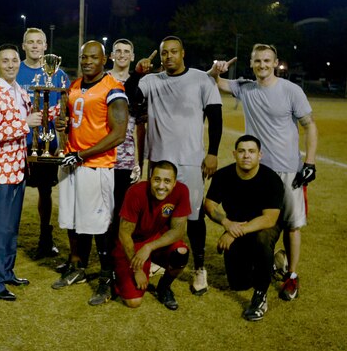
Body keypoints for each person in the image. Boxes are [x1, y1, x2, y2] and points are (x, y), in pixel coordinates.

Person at [208, 44, 318, 301]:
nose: (262, 65)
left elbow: (309, 126)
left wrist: (310, 163)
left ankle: (291, 275)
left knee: (292, 226)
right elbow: (216, 83)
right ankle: (266, 261)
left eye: (267, 60)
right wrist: (215, 70)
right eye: (258, 61)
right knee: (258, 225)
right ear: (251, 63)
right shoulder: (245, 88)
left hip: (289, 170)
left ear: (275, 62)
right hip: (258, 172)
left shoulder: (291, 91)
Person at [125, 35, 222, 296]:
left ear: (183, 53)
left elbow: (215, 117)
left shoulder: (202, 79)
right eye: (164, 52)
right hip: (158, 159)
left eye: (173, 52)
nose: (169, 56)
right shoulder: (151, 80)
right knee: (158, 213)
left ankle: (199, 267)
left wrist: (212, 153)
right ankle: (158, 259)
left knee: (193, 216)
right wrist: (136, 72)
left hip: (191, 160)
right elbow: (130, 94)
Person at [52, 40, 128, 306]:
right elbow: (73, 121)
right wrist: (61, 124)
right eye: (84, 57)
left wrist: (83, 154)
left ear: (104, 60)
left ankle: (106, 279)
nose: (87, 62)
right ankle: (77, 266)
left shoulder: (113, 89)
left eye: (93, 58)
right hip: (72, 162)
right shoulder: (73, 86)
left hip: (96, 166)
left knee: (100, 226)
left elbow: (119, 134)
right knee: (73, 220)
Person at [0, 44, 43, 301]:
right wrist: (24, 124)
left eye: (14, 60)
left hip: (18, 169)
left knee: (11, 227)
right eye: (5, 60)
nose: (11, 64)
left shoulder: (21, 92)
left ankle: (6, 271)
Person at [204, 135, 284, 321]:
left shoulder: (271, 179)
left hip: (264, 226)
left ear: (259, 155)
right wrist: (227, 224)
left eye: (251, 151)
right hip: (236, 226)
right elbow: (209, 204)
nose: (246, 156)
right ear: (234, 154)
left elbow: (269, 219)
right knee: (239, 284)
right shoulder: (224, 175)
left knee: (262, 239)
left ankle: (260, 296)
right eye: (241, 151)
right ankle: (273, 263)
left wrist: (232, 234)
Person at [16, 27, 69, 259]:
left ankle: (45, 238)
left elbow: (67, 108)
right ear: (23, 46)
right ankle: (8, 237)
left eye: (39, 42)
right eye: (31, 42)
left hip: (47, 143)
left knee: (45, 190)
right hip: (18, 141)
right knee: (14, 190)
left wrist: (63, 124)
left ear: (46, 46)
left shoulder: (59, 75)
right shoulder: (14, 71)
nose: (35, 46)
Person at [114, 161, 190, 310]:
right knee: (133, 302)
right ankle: (115, 274)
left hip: (154, 240)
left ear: (174, 183)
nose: (161, 186)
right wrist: (137, 270)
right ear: (150, 179)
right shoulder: (136, 192)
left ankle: (164, 287)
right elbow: (124, 234)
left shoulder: (181, 191)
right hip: (131, 243)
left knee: (181, 252)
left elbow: (178, 231)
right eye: (157, 179)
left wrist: (149, 247)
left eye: (167, 181)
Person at [107, 39, 142, 240]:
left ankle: (114, 256)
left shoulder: (139, 85)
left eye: (126, 51)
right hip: (102, 156)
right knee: (100, 207)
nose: (122, 55)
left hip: (126, 158)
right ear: (111, 55)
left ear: (132, 56)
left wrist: (138, 161)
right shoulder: (102, 80)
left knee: (120, 208)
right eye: (118, 51)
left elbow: (140, 126)